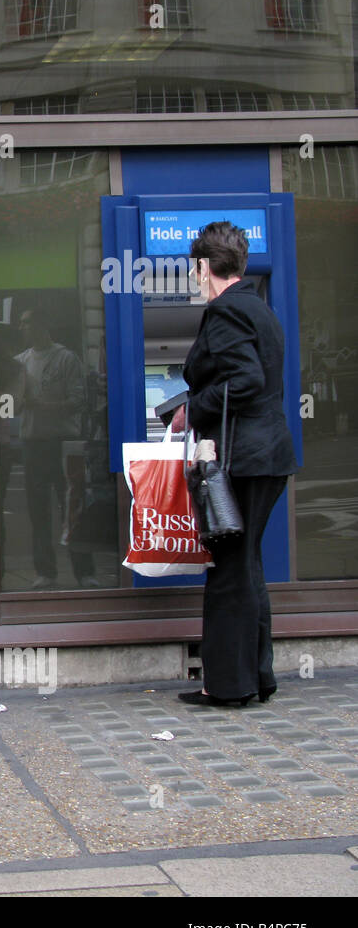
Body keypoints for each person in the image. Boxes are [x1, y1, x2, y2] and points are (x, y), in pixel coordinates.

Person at [170, 222, 298, 707]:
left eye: (194, 269)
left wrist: (192, 409)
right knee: (247, 566)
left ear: (205, 267)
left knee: (228, 569)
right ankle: (257, 678)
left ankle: (225, 687)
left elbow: (243, 380)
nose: (194, 277)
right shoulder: (258, 309)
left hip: (243, 458)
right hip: (267, 454)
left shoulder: (224, 311)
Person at [14, 308, 96, 588]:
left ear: (42, 324)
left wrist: (45, 407)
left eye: (27, 323)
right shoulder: (21, 362)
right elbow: (10, 404)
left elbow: (78, 400)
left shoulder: (65, 358)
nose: (22, 328)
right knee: (39, 512)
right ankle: (45, 571)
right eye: (21, 324)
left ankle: (84, 572)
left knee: (72, 508)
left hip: (63, 443)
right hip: (33, 443)